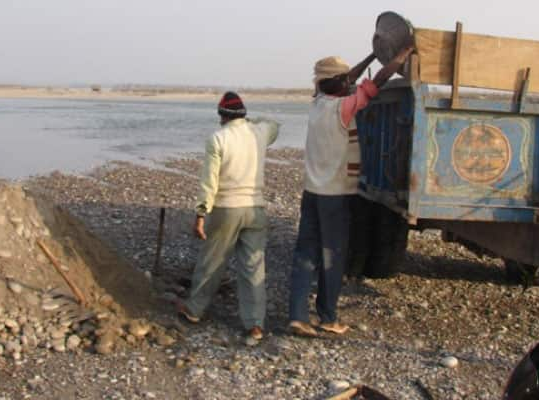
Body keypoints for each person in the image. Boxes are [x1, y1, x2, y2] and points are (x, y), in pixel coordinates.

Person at [288, 45, 414, 337]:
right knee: (333, 255)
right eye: (347, 80)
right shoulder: (343, 109)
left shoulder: (318, 103)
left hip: (312, 192)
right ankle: (328, 317)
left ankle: (296, 316)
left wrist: (371, 56)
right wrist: (400, 57)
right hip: (336, 196)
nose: (351, 83)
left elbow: (350, 78)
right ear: (341, 84)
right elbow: (377, 82)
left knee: (305, 254)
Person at [176, 91, 279, 342]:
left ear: (222, 116)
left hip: (226, 208)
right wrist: (251, 120)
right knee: (253, 267)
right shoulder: (260, 133)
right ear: (243, 114)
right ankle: (254, 323)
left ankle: (194, 309)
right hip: (256, 208)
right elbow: (274, 123)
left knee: (212, 261)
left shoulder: (218, 139)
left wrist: (201, 213)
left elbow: (209, 181)